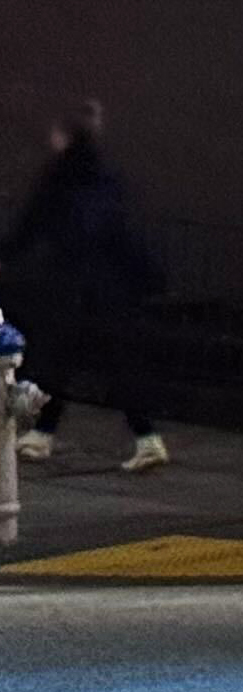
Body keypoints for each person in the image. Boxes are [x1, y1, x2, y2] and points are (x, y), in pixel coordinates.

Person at [5, 103, 167, 471]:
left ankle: (44, 435)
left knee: (57, 359)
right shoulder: (106, 177)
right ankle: (144, 437)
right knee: (106, 363)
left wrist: (8, 252)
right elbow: (123, 233)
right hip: (108, 288)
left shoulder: (58, 178)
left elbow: (28, 228)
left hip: (71, 285)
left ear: (63, 137)